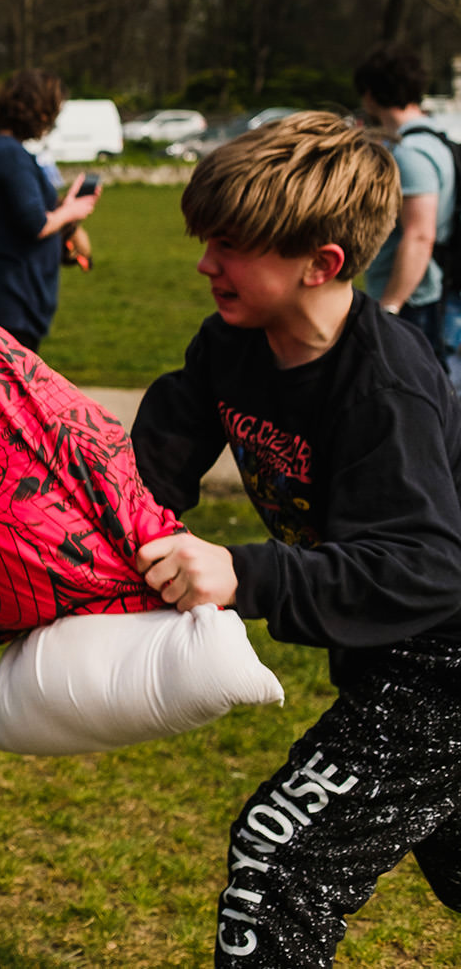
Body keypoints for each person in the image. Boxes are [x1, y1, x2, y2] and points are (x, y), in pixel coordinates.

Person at [129, 112, 461, 967]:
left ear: (323, 263)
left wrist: (243, 572)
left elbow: (427, 567)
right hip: (392, 661)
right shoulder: (230, 345)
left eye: (232, 245)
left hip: (446, 672)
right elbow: (156, 463)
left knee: (277, 868)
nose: (206, 263)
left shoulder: (386, 385)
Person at [0, 69, 99, 351]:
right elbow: (35, 223)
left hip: (11, 294)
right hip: (14, 296)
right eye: (48, 113)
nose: (48, 123)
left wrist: (65, 207)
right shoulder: (9, 154)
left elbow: (25, 214)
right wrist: (72, 211)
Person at [352, 43, 454, 355]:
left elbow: (420, 235)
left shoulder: (412, 153)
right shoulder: (433, 137)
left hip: (413, 301)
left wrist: (389, 308)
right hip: (421, 296)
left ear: (370, 94)